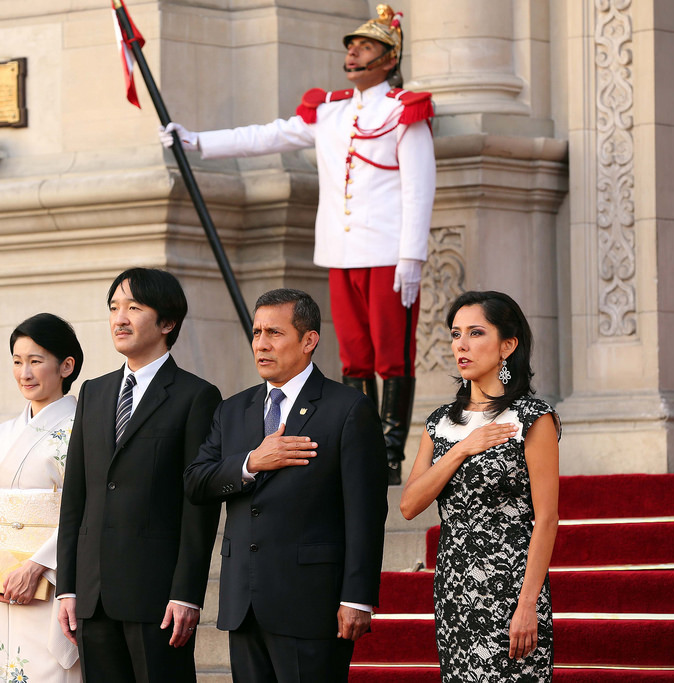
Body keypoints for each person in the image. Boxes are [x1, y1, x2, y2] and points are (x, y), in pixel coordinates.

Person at [161, 4, 436, 485]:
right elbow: (266, 137)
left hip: (388, 253)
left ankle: (389, 451)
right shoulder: (330, 111)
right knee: (354, 355)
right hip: (340, 251)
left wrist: (411, 255)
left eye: (365, 47)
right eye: (351, 47)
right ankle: (364, 446)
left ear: (389, 58)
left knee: (392, 354)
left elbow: (418, 186)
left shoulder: (403, 111)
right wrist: (197, 141)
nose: (353, 53)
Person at [184, 288, 389, 683]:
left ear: (309, 340)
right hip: (243, 602)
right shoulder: (232, 409)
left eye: (274, 333)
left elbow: (365, 513)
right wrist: (250, 462)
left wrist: (357, 597)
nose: (261, 344)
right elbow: (196, 481)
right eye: (257, 332)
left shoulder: (347, 408)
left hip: (312, 605)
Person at [55, 268, 222, 683]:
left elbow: (197, 506)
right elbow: (76, 496)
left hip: (158, 598)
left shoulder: (196, 396)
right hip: (94, 597)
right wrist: (69, 586)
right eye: (114, 307)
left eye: (134, 307)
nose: (120, 318)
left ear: (167, 322)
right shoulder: (93, 392)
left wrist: (186, 593)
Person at [399, 291, 560, 681]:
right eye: (456, 335)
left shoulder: (532, 418)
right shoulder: (439, 423)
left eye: (475, 333)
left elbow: (548, 518)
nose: (462, 345)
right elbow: (409, 504)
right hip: (454, 588)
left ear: (507, 345)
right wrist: (461, 450)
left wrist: (528, 604)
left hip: (511, 589)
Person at [0, 312, 84, 683]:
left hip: (52, 579)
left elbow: (82, 507)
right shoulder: (1, 435)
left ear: (66, 365)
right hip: (3, 585)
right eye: (17, 362)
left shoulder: (82, 427)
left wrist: (36, 566)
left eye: (36, 361)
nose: (25, 373)